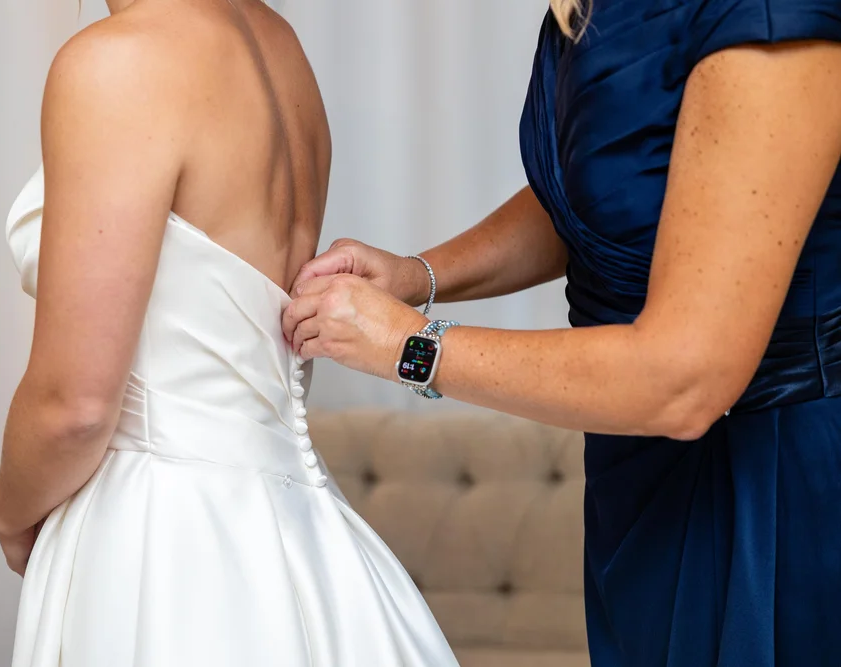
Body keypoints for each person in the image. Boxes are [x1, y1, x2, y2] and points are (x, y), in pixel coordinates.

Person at [282, 1, 841, 665]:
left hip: (774, 492)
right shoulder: (585, 10)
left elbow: (686, 377)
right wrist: (418, 274)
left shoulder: (768, 15)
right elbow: (610, 193)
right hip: (637, 477)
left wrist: (411, 347)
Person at [0, 1, 458, 665]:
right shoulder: (279, 46)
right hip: (307, 534)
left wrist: (9, 513)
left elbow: (77, 405)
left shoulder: (120, 59)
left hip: (164, 538)